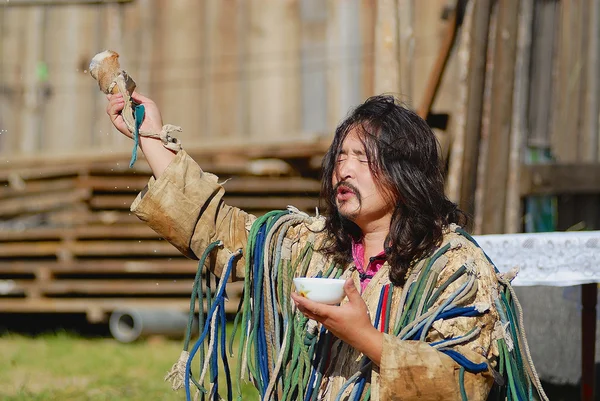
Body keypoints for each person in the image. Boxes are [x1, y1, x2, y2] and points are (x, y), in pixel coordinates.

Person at [105, 92, 547, 401]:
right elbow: (221, 232)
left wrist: (367, 339)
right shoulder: (314, 246)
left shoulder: (453, 266)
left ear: (406, 171)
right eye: (340, 157)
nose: (343, 170)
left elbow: (466, 384)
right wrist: (151, 135)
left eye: (362, 157)